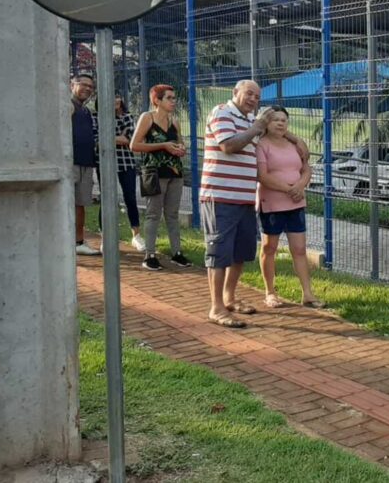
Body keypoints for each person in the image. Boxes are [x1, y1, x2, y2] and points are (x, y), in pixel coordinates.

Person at [199, 80, 306, 327]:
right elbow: (228, 145)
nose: (252, 99)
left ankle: (229, 297)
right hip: (220, 197)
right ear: (234, 92)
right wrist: (258, 125)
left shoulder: (250, 123)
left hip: (245, 199)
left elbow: (289, 144)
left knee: (240, 253)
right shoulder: (222, 112)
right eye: (249, 94)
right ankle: (215, 307)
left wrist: (285, 133)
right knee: (218, 253)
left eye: (257, 97)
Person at [255, 106, 324, 309]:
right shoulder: (262, 145)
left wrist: (300, 185)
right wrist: (289, 189)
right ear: (266, 123)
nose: (280, 123)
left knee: (299, 249)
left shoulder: (295, 144)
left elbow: (306, 167)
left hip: (296, 204)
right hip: (272, 204)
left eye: (284, 119)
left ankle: (308, 294)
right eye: (275, 119)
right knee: (269, 248)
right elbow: (263, 175)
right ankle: (270, 292)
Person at [130, 85, 192, 271]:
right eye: (169, 98)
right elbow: (134, 145)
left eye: (174, 98)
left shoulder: (175, 121)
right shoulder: (147, 118)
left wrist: (181, 149)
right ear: (156, 100)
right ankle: (150, 254)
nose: (173, 101)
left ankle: (177, 252)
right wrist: (163, 145)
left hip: (174, 172)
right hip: (154, 173)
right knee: (153, 213)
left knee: (172, 213)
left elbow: (180, 143)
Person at [104, 94, 144, 251]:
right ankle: (106, 237)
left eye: (117, 97)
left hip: (126, 163)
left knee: (130, 198)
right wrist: (119, 136)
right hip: (106, 163)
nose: (115, 100)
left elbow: (129, 139)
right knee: (107, 199)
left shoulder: (128, 117)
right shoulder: (99, 117)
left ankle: (136, 235)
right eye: (111, 97)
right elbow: (97, 138)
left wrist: (109, 137)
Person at [71, 73, 101, 256]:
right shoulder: (68, 106)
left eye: (91, 87)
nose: (88, 89)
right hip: (71, 162)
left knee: (80, 203)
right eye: (84, 85)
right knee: (67, 202)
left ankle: (78, 241)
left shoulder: (86, 110)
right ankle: (66, 240)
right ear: (72, 84)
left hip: (86, 162)